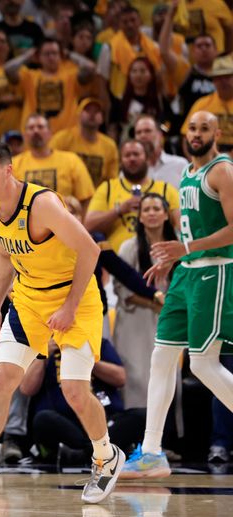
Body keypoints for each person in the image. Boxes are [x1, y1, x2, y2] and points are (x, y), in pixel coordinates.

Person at [0, 141, 125, 504]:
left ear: (8, 170)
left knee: (74, 389)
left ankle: (106, 457)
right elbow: (5, 256)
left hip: (76, 298)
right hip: (28, 300)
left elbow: (90, 250)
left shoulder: (41, 205)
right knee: (3, 378)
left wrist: (71, 307)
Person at [121, 111, 233, 479]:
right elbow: (187, 232)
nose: (197, 134)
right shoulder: (186, 172)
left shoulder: (223, 171)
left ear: (216, 132)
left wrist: (186, 248)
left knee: (202, 364)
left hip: (216, 271)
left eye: (205, 128)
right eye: (192, 129)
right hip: (186, 275)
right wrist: (172, 260)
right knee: (161, 358)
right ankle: (152, 452)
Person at [113, 194, 177, 410]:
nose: (151, 213)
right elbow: (122, 290)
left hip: (170, 319)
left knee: (168, 378)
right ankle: (134, 436)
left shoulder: (177, 247)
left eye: (156, 209)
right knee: (137, 377)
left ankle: (166, 438)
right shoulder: (128, 247)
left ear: (167, 215)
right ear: (139, 217)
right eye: (146, 209)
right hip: (135, 320)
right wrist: (154, 303)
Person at [85, 139, 180, 253]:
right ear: (121, 161)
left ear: (147, 159)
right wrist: (119, 210)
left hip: (158, 258)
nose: (132, 158)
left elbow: (182, 226)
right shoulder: (107, 188)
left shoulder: (166, 189)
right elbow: (88, 225)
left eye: (136, 154)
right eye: (127, 155)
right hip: (117, 262)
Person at [5, 38, 95, 133]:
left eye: (55, 53)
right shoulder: (29, 76)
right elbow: (8, 69)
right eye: (46, 54)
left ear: (61, 56)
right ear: (38, 57)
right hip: (35, 134)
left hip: (65, 135)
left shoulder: (71, 76)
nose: (51, 57)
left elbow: (90, 68)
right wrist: (28, 56)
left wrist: (69, 54)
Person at [11, 114, 95, 212]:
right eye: (31, 128)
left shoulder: (71, 160)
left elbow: (86, 197)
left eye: (40, 127)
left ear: (50, 133)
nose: (36, 131)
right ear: (24, 135)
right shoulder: (13, 164)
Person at [49, 98, 119, 187]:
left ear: (102, 118)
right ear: (78, 114)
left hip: (97, 196)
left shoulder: (109, 145)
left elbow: (112, 180)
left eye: (96, 111)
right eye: (87, 110)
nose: (92, 114)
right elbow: (50, 165)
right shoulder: (62, 139)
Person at [97, 6, 162, 100]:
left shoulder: (154, 47)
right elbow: (101, 81)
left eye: (133, 20)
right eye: (125, 22)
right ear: (119, 25)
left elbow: (158, 78)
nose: (130, 25)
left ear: (140, 21)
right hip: (120, 101)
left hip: (148, 100)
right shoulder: (109, 48)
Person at [181, 55, 233, 152]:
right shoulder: (201, 104)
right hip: (208, 159)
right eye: (218, 77)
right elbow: (186, 138)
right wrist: (197, 165)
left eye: (227, 76)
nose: (223, 81)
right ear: (213, 80)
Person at [134, 115, 189, 190]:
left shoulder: (181, 165)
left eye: (147, 131)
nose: (142, 135)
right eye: (138, 132)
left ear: (160, 135)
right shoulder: (130, 169)